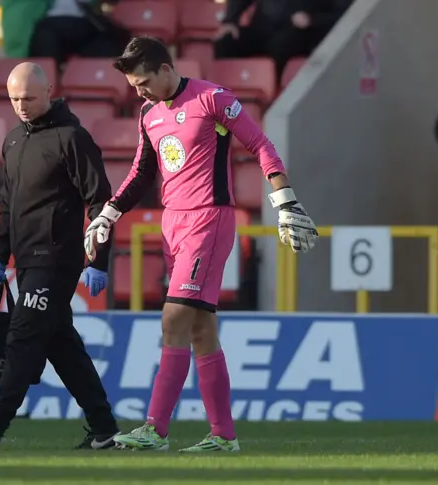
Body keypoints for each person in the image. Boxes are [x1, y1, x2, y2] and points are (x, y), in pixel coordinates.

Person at [84, 37, 318, 452]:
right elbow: (142, 173)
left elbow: (260, 144)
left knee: (173, 318)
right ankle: (223, 436)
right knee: (200, 330)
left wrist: (285, 200)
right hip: (172, 224)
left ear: (165, 69)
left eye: (142, 82)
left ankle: (155, 429)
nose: (138, 91)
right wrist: (109, 212)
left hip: (209, 219)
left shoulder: (212, 99)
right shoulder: (149, 113)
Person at [0, 62, 120, 450]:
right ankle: (104, 427)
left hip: (57, 259)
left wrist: (99, 258)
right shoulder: (12, 141)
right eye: (13, 99)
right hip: (25, 261)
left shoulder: (72, 138)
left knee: (22, 340)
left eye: (27, 97)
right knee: (62, 345)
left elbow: (100, 202)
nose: (21, 105)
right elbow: (8, 205)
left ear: (48, 92)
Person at [214, 0, 352, 83]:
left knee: (283, 44)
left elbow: (344, 13)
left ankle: (270, 101)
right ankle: (219, 100)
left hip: (300, 33)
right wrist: (230, 20)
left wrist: (312, 20)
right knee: (226, 42)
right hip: (262, 28)